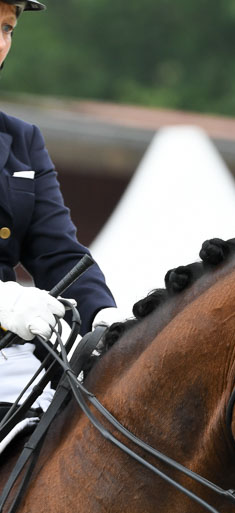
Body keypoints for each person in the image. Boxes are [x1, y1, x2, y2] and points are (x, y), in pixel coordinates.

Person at [0, 0, 123, 420]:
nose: (1, 43)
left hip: (14, 366)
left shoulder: (22, 140)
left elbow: (58, 253)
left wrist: (103, 315)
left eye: (7, 29)